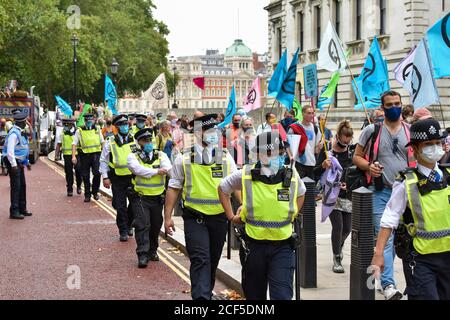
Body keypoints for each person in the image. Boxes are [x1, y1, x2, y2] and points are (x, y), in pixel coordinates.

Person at [218, 132, 306, 300]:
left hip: (283, 247)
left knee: (282, 296)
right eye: (269, 153)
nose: (274, 156)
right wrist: (230, 216)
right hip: (254, 246)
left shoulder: (291, 174)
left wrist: (292, 212)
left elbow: (302, 193)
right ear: (258, 154)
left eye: (278, 152)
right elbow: (223, 188)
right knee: (255, 296)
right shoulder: (246, 174)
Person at [372, 118, 450, 300]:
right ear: (414, 149)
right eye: (428, 144)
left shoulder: (447, 177)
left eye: (438, 143)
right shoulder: (406, 182)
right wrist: (379, 254)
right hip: (421, 259)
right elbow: (389, 218)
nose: (435, 147)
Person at [164, 114, 238, 300]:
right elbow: (173, 187)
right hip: (195, 219)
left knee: (212, 261)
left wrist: (243, 207)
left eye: (215, 130)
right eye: (208, 130)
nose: (213, 134)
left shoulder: (225, 157)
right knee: (200, 260)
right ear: (198, 133)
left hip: (219, 219)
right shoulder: (184, 158)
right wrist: (167, 217)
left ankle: (206, 293)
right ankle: (201, 299)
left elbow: (237, 184)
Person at [353, 90, 415, 300]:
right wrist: (369, 167)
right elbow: (357, 157)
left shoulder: (410, 131)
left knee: (405, 240)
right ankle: (389, 285)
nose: (394, 107)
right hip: (380, 192)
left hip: (407, 194)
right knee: (384, 238)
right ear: (383, 107)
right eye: (389, 104)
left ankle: (406, 281)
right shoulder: (372, 130)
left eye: (397, 103)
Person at [127, 128, 172, 267]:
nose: (148, 143)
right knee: (143, 225)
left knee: (155, 225)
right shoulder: (132, 156)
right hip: (140, 197)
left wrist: (159, 171)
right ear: (139, 142)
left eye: (149, 140)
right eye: (144, 140)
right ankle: (142, 254)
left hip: (158, 197)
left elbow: (168, 167)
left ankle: (153, 250)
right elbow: (137, 169)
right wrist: (156, 171)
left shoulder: (161, 155)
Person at [314, 120, 354, 273]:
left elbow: (355, 173)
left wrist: (348, 184)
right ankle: (337, 257)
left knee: (347, 228)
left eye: (349, 139)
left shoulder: (352, 151)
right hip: (331, 194)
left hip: (346, 194)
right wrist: (323, 166)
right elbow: (315, 173)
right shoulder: (327, 151)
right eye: (344, 138)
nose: (347, 142)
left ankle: (339, 245)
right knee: (338, 226)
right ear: (338, 136)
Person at [100, 114, 135, 242]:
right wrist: (105, 177)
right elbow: (103, 160)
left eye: (126, 124)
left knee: (134, 204)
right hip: (117, 178)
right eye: (122, 125)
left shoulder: (135, 140)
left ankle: (130, 223)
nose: (125, 127)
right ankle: (123, 230)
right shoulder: (110, 142)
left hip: (133, 178)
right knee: (120, 206)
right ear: (117, 127)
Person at [2, 111, 32, 219]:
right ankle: (14, 211)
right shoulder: (14, 134)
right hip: (12, 162)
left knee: (22, 185)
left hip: (18, 161)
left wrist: (26, 162)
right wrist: (14, 165)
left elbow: (22, 150)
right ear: (21, 122)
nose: (26, 123)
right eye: (25, 121)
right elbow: (10, 151)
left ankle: (22, 208)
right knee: (16, 186)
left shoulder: (20, 132)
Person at [72, 114, 104, 202]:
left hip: (96, 155)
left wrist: (104, 155)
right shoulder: (80, 130)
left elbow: (102, 142)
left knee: (97, 173)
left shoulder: (97, 129)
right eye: (88, 121)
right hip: (84, 156)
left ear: (93, 121)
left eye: (91, 121)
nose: (89, 123)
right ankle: (87, 195)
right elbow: (74, 144)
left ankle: (95, 192)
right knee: (85, 176)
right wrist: (74, 156)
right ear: (85, 121)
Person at [289, 105, 323, 179]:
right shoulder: (294, 128)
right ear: (303, 113)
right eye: (308, 113)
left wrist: (319, 147)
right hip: (298, 163)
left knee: (310, 188)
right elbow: (288, 146)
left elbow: (316, 149)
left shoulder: (315, 129)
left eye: (312, 113)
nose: (311, 115)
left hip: (311, 163)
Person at [55, 118, 82, 196]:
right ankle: (69, 188)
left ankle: (79, 185)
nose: (65, 126)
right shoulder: (62, 133)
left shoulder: (77, 132)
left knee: (78, 171)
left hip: (77, 154)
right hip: (66, 155)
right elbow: (58, 144)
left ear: (71, 125)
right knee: (68, 172)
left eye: (67, 125)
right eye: (65, 125)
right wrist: (56, 155)